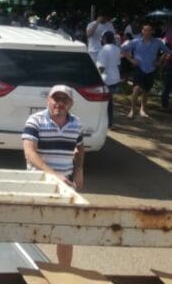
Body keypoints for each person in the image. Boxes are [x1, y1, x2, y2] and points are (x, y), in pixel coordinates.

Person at [22, 84, 84, 266]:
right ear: (48, 100)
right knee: (30, 229)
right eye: (56, 99)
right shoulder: (35, 121)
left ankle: (65, 273)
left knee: (66, 232)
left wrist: (79, 170)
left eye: (64, 100)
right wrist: (54, 175)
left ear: (71, 103)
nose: (59, 103)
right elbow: (29, 153)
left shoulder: (76, 124)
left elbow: (80, 148)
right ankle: (27, 270)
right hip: (38, 183)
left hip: (65, 185)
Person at [122, 24, 170, 119]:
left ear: (152, 31)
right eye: (145, 30)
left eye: (149, 30)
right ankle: (132, 110)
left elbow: (167, 51)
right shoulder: (135, 42)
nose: (147, 32)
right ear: (142, 31)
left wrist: (159, 61)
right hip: (139, 68)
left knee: (146, 90)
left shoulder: (157, 42)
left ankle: (142, 109)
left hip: (151, 69)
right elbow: (123, 50)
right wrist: (131, 60)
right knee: (136, 89)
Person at [96, 31, 121, 128]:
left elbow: (101, 67)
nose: (101, 40)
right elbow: (118, 65)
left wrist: (96, 79)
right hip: (115, 79)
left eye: (102, 38)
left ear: (105, 39)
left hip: (107, 79)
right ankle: (109, 122)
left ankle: (108, 123)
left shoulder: (103, 50)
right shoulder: (117, 49)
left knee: (105, 103)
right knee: (109, 102)